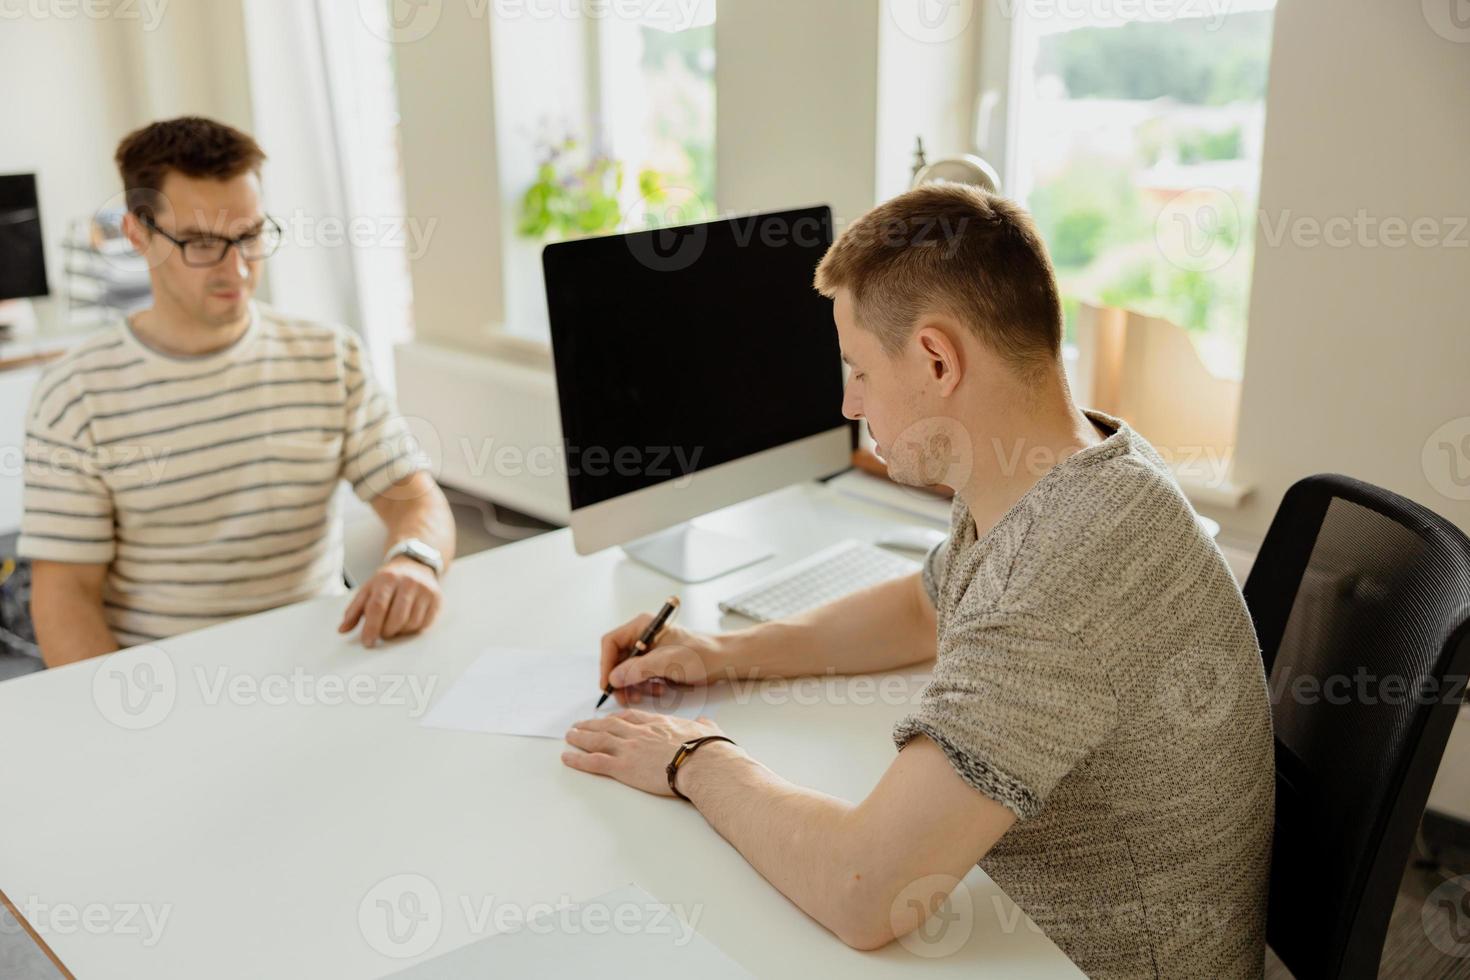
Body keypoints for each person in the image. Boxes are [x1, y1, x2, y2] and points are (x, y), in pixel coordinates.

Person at [561, 184, 1274, 977]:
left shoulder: (1064, 570)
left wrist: (692, 757)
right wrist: (723, 653)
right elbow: (922, 609)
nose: (848, 400)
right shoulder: (1074, 464)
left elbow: (866, 892)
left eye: (859, 368)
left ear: (937, 359)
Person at [20, 116, 455, 667]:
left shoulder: (329, 356)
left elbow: (414, 499)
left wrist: (414, 560)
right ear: (137, 235)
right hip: (167, 683)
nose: (238, 267)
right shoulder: (75, 394)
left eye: (250, 235)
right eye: (202, 242)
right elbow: (66, 597)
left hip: (327, 660)